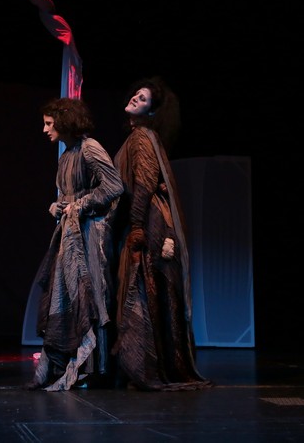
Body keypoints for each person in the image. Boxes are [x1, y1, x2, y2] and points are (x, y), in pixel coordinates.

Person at [112, 76, 213, 391]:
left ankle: (146, 367)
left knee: (144, 289)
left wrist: (137, 226)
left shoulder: (142, 137)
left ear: (152, 112)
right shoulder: (138, 137)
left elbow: (144, 183)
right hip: (145, 219)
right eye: (136, 94)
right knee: (147, 289)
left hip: (149, 221)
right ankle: (146, 366)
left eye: (142, 99)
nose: (135, 98)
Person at [27, 97, 124, 391]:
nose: (45, 129)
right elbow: (67, 193)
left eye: (49, 123)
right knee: (66, 294)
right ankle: (69, 362)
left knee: (91, 294)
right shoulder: (66, 154)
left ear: (64, 121)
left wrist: (81, 205)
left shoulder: (89, 148)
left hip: (90, 232)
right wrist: (58, 206)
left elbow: (114, 186)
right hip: (70, 231)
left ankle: (97, 368)